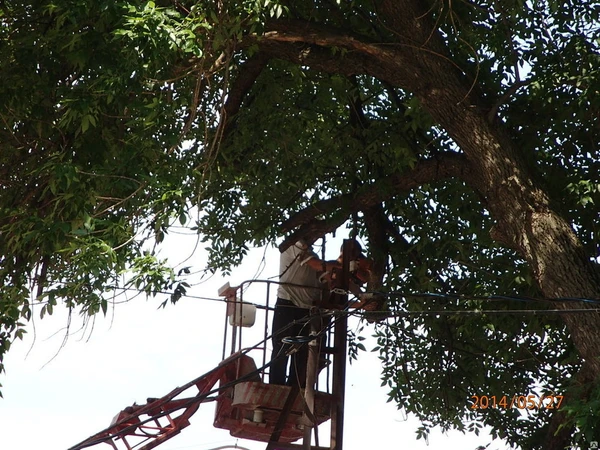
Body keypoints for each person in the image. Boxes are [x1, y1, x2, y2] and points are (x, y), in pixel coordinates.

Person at [270, 240, 339, 386]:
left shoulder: (311, 254)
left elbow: (323, 276)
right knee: (282, 351)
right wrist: (342, 266)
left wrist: (331, 278)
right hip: (288, 305)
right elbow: (317, 265)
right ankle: (276, 387)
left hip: (306, 311)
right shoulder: (294, 244)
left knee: (302, 356)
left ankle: (295, 390)